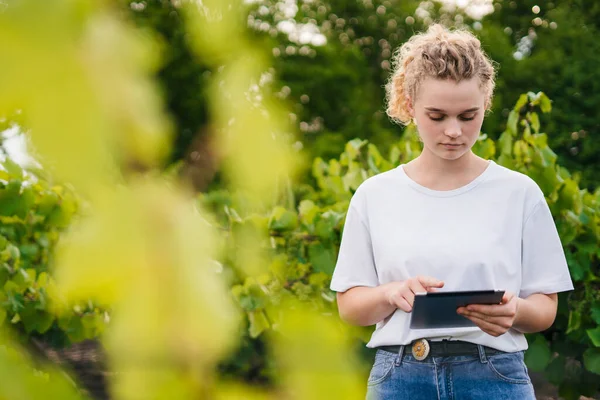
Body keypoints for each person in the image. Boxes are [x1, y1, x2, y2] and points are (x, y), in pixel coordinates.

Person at [329, 24, 574, 400]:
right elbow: (350, 306)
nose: (454, 131)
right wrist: (392, 293)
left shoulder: (519, 192)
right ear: (410, 107)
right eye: (438, 116)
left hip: (496, 378)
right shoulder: (374, 195)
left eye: (468, 115)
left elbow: (545, 307)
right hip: (399, 380)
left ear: (486, 106)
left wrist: (515, 311)